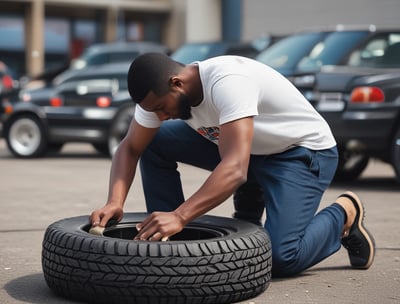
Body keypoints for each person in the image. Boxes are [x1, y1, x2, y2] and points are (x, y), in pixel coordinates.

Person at [90, 53, 375, 277]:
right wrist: (115, 201)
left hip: (300, 153)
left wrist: (180, 215)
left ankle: (344, 215)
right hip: (248, 150)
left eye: (162, 108)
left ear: (177, 83)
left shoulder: (228, 81)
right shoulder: (158, 96)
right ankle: (171, 244)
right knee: (154, 141)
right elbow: (130, 146)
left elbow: (235, 168)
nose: (161, 116)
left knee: (281, 258)